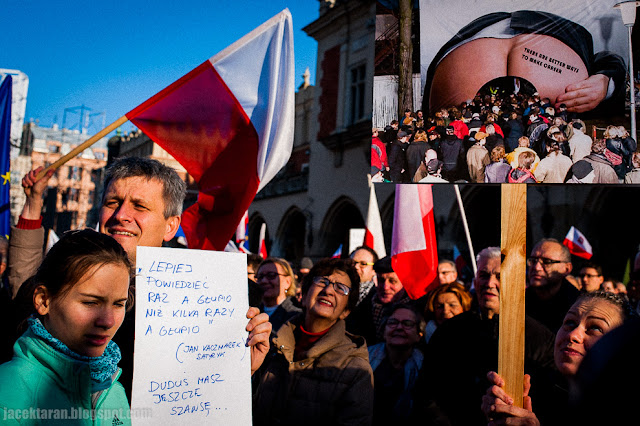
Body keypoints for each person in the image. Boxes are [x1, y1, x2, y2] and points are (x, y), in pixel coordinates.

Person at [0, 230, 134, 425]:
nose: (108, 321)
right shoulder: (8, 395)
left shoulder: (114, 391)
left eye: (118, 304)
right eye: (91, 302)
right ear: (44, 300)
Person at [412, 247, 555, 426]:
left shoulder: (538, 336)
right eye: (484, 275)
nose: (490, 283)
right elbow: (427, 393)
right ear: (475, 280)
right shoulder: (450, 330)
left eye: (499, 277)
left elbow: (550, 398)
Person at [252, 258, 374, 425]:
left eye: (341, 288)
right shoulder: (271, 347)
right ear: (303, 296)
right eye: (322, 281)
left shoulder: (355, 369)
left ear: (346, 311)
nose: (328, 290)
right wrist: (250, 371)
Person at [481, 291, 632, 426]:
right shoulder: (533, 391)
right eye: (570, 322)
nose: (573, 335)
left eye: (595, 328)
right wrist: (501, 411)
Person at [368, 304, 425, 425]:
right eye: (393, 322)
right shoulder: (363, 358)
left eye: (407, 324)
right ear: (383, 332)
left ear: (419, 335)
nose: (399, 327)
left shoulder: (425, 367)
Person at [346, 256, 413, 346]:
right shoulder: (361, 309)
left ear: (404, 282)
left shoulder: (417, 310)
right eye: (381, 280)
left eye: (392, 281)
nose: (385, 287)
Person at [526, 238, 580, 333]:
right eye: (533, 260)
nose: (536, 267)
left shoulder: (578, 306)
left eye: (547, 262)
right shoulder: (518, 302)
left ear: (567, 269)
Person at [256, 257, 302, 333]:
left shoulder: (296, 317)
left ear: (288, 282)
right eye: (260, 277)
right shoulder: (250, 313)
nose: (264, 281)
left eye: (271, 275)